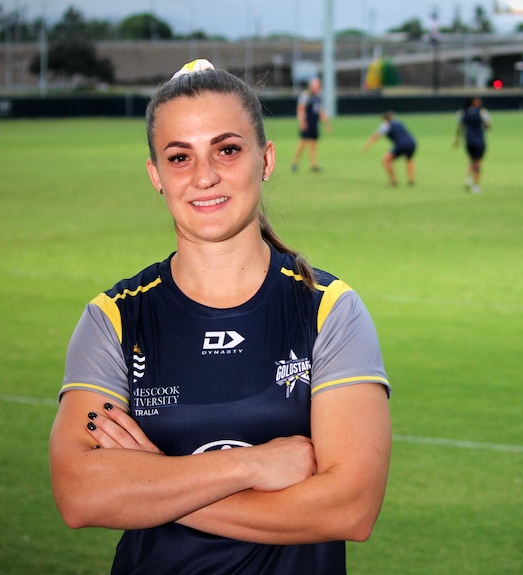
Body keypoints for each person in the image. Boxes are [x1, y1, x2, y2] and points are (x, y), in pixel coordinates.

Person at [49, 59, 392, 575]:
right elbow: (80, 495)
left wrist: (153, 481)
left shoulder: (328, 310)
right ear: (156, 176)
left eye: (227, 150)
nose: (205, 176)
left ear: (266, 159)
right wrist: (250, 464)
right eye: (179, 157)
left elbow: (350, 508)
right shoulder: (115, 319)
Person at [362, 111, 417, 186]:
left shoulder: (385, 125)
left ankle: (393, 180)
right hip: (412, 142)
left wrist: (367, 145)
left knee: (385, 160)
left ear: (384, 119)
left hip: (401, 144)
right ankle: (411, 180)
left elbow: (376, 136)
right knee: (409, 159)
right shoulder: (399, 122)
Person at [291, 76, 331, 172]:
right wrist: (302, 122)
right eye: (316, 86)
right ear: (311, 86)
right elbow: (301, 109)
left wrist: (326, 124)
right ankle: (294, 162)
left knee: (313, 143)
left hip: (314, 123)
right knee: (303, 143)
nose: (317, 88)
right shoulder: (306, 95)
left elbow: (320, 112)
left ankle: (313, 164)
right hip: (307, 123)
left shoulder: (317, 98)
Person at [454, 96, 491, 194]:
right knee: (478, 162)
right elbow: (488, 125)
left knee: (472, 160)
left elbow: (460, 127)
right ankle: (476, 185)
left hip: (469, 141)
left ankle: (469, 178)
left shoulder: (462, 113)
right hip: (479, 140)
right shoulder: (482, 112)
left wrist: (457, 140)